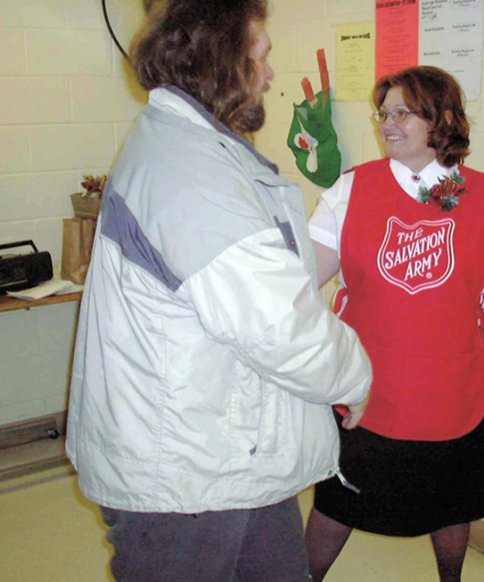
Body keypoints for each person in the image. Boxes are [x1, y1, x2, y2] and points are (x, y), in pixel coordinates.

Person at [65, 1, 372, 580]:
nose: (271, 74)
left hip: (227, 455)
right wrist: (355, 377)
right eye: (262, 56)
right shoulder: (188, 168)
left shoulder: (192, 147)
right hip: (183, 480)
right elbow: (281, 327)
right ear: (223, 63)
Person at [303, 66, 484, 582]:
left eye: (403, 113)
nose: (387, 125)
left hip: (455, 383)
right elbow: (298, 283)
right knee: (337, 505)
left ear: (442, 119)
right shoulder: (349, 192)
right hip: (365, 386)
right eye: (384, 113)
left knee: (452, 505)